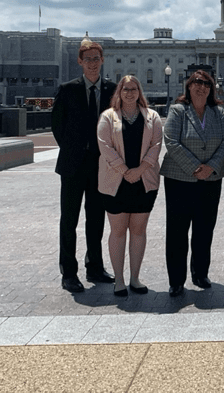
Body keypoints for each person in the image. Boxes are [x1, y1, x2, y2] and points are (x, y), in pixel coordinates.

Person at [51, 39, 117, 293]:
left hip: (100, 164)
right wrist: (72, 150)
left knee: (96, 219)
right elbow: (57, 125)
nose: (92, 64)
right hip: (73, 164)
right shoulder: (67, 89)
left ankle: (95, 266)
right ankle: (68, 272)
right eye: (87, 59)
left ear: (102, 61)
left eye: (96, 59)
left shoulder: (112, 91)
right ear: (80, 62)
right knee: (69, 219)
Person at [160, 70, 224, 297]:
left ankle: (200, 273)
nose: (201, 87)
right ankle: (176, 279)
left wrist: (210, 166)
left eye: (206, 84)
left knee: (204, 229)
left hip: (210, 179)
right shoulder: (178, 111)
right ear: (188, 87)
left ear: (211, 89)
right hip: (179, 179)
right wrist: (195, 167)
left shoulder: (218, 112)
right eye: (197, 83)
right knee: (177, 230)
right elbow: (171, 141)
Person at [96, 75, 162, 296]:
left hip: (144, 181)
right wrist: (125, 171)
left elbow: (156, 145)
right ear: (119, 92)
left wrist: (140, 170)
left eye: (134, 89)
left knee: (138, 231)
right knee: (117, 231)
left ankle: (135, 277)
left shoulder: (152, 117)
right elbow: (105, 147)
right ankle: (119, 280)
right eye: (126, 89)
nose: (130, 93)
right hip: (116, 182)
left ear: (139, 91)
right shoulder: (108, 117)